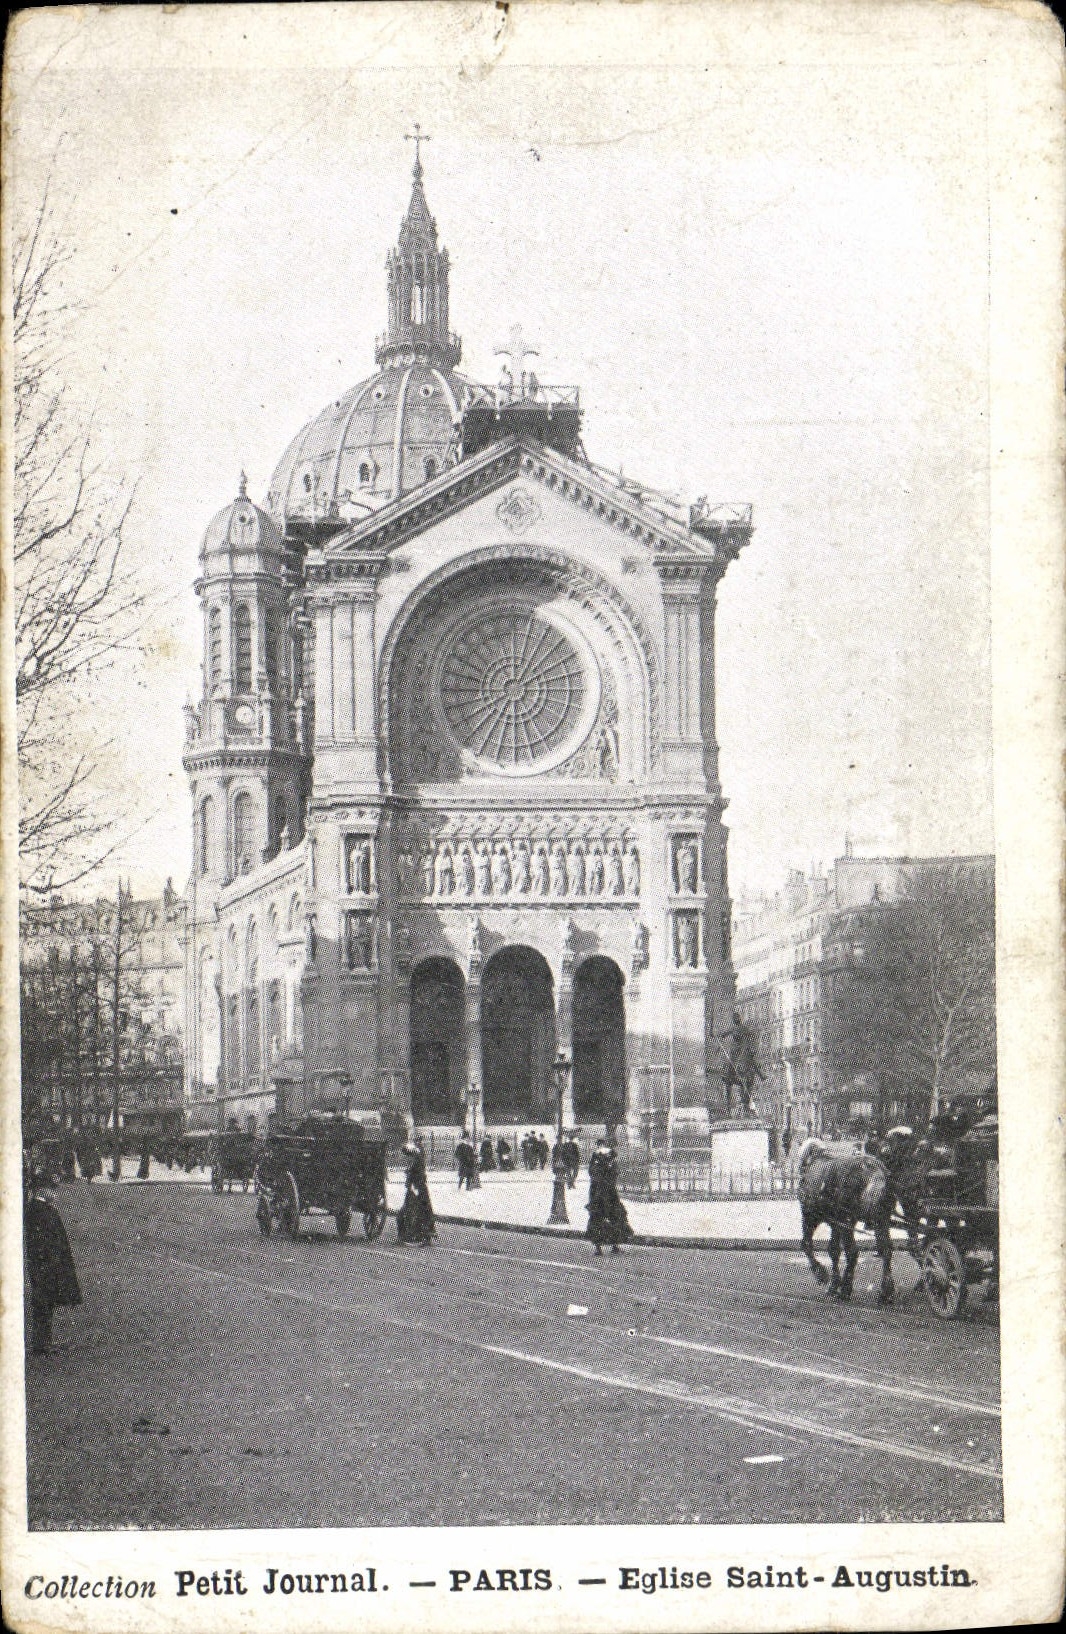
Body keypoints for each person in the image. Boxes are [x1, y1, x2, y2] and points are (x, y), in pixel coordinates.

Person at [24, 1173, 82, 1355]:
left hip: (44, 1262)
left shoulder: (36, 1209)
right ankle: (41, 1344)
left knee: (46, 1301)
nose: (55, 1194)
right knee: (43, 1302)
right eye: (52, 1190)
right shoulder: (42, 1211)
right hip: (46, 1263)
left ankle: (43, 1341)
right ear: (43, 1190)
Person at [585, 1141, 633, 1255]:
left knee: (598, 1217)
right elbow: (615, 1174)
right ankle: (614, 1245)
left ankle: (599, 1247)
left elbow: (592, 1173)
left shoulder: (595, 1159)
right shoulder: (611, 1159)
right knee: (614, 1216)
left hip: (597, 1193)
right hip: (610, 1193)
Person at [396, 1145, 436, 1244]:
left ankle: (414, 1235)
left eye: (408, 1154)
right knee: (420, 1212)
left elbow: (417, 1176)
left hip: (416, 1190)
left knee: (412, 1213)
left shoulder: (416, 1161)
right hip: (417, 1189)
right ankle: (424, 1234)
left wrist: (411, 1182)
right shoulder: (417, 1160)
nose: (407, 1157)